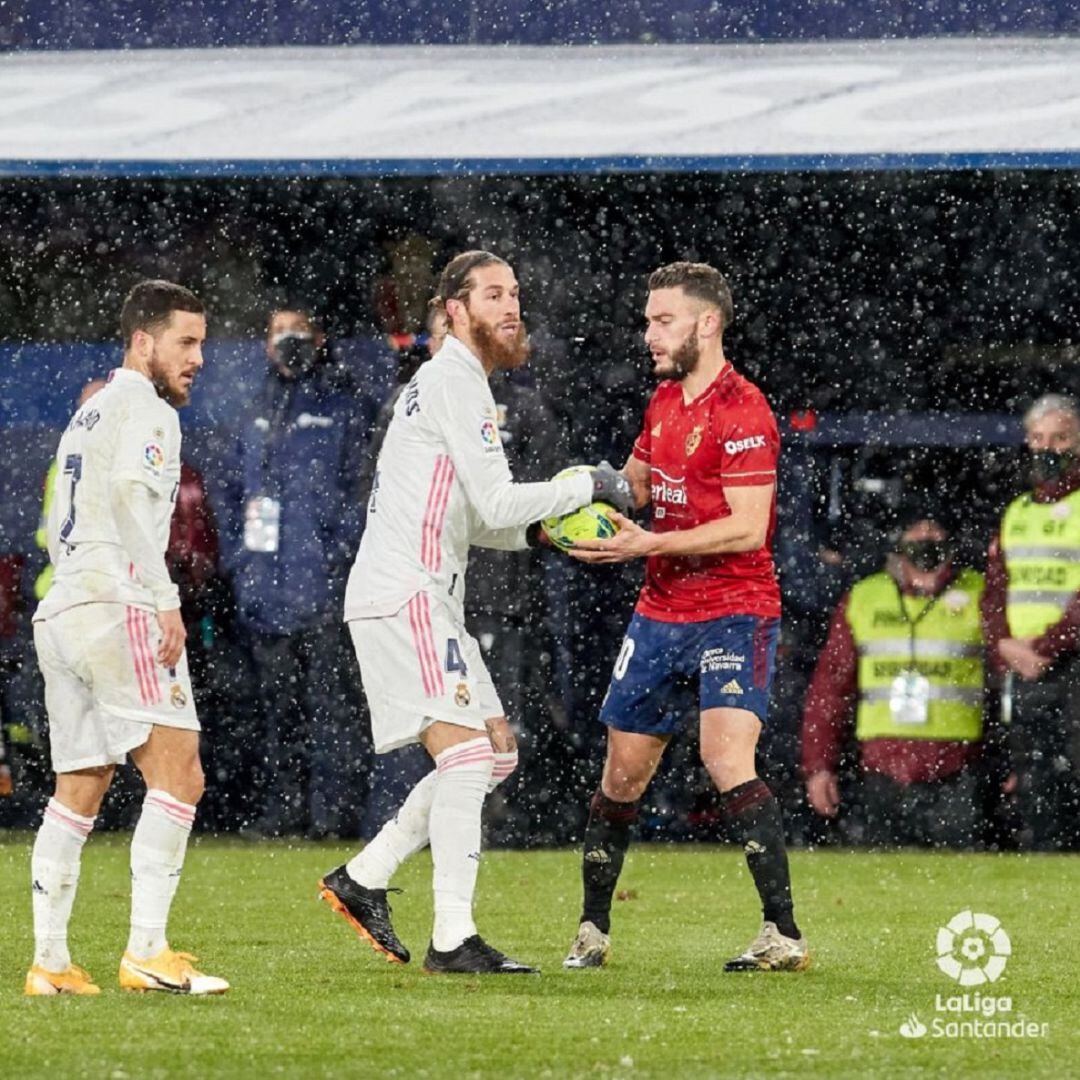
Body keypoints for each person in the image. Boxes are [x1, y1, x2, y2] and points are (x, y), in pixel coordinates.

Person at [317, 250, 632, 975]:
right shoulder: (453, 381)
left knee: (493, 753)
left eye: (516, 293)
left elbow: (478, 518)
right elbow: (495, 500)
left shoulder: (455, 386)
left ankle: (366, 875)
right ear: (454, 311)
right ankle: (452, 938)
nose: (511, 307)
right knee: (465, 756)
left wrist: (545, 528)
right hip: (410, 593)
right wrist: (586, 482)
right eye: (493, 295)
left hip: (419, 594)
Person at [561, 261, 808, 973]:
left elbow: (747, 527)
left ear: (707, 322)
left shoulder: (744, 410)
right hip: (661, 610)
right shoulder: (664, 403)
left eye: (662, 320)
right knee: (623, 775)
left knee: (725, 755)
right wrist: (577, 502)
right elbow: (633, 486)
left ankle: (782, 934)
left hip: (735, 608)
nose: (649, 334)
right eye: (647, 320)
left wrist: (648, 543)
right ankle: (592, 930)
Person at [26, 279, 228, 996]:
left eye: (202, 342)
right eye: (185, 341)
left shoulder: (89, 412)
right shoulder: (147, 409)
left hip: (64, 610)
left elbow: (60, 517)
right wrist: (164, 598)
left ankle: (50, 963)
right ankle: (147, 950)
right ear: (143, 341)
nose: (198, 357)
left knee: (79, 785)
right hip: (118, 603)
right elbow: (130, 502)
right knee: (180, 774)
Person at [219, 307, 371, 838]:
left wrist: (337, 558)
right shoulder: (253, 410)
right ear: (265, 343)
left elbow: (359, 490)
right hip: (264, 592)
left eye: (299, 332)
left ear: (320, 338)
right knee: (276, 710)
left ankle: (332, 818)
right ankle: (282, 814)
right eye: (278, 332)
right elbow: (231, 495)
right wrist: (243, 564)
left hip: (323, 591)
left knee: (332, 709)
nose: (288, 342)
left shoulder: (342, 406)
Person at [802, 513, 987, 847]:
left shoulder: (979, 593)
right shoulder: (864, 598)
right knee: (883, 883)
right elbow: (830, 690)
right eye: (917, 532)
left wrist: (1010, 759)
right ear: (899, 542)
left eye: (934, 531)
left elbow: (1004, 682)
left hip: (958, 768)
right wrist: (819, 766)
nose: (926, 539)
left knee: (961, 885)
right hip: (883, 770)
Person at [982, 393, 1080, 850]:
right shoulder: (1017, 512)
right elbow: (995, 590)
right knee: (1037, 782)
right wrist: (1003, 644)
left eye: (1061, 438)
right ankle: (1043, 877)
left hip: (1068, 664)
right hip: (1026, 669)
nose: (1048, 448)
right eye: (1039, 438)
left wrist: (1045, 646)